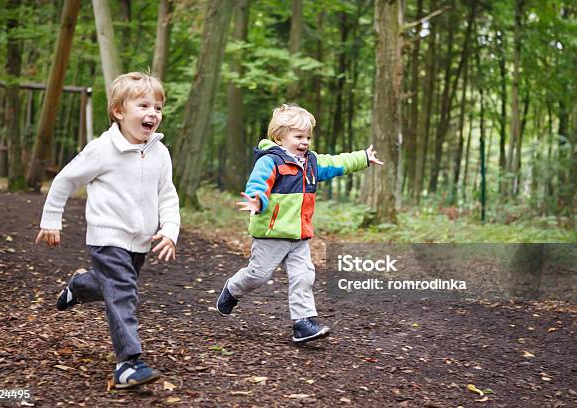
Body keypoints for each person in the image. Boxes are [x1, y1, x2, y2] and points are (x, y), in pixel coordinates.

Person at [35, 72, 180, 388]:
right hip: (107, 237)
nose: (152, 113)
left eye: (157, 107)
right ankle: (128, 363)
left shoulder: (160, 152)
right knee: (124, 292)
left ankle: (80, 286)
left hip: (140, 241)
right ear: (119, 111)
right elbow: (65, 181)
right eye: (143, 105)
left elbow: (167, 194)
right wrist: (50, 220)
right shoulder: (102, 149)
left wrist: (170, 229)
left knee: (113, 287)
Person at [216, 103, 384, 343]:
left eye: (308, 137)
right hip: (271, 234)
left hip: (299, 236)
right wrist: (257, 200)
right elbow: (258, 183)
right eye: (298, 136)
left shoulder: (312, 163)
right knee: (259, 275)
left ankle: (303, 323)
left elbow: (337, 163)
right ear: (280, 137)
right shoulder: (270, 160)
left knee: (304, 276)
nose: (305, 142)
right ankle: (232, 289)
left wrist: (362, 158)